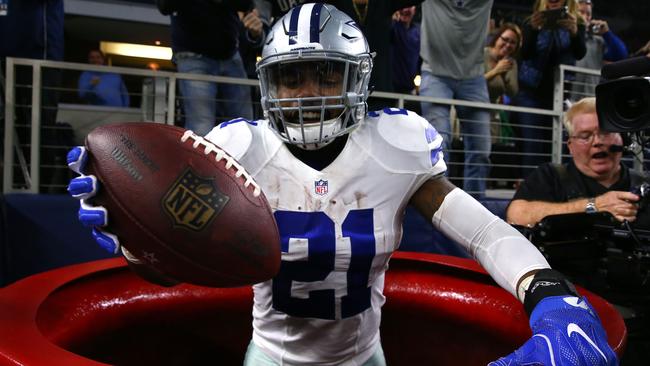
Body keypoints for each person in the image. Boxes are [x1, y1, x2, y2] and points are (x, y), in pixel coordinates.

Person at [67, 4, 618, 366]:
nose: (308, 91)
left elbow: (483, 234)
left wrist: (548, 292)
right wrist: (141, 242)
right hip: (270, 356)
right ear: (268, 82)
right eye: (291, 75)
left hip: (363, 357)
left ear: (358, 78)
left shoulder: (397, 145)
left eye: (327, 72)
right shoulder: (238, 148)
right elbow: (180, 257)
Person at [507, 97, 649, 228]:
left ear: (622, 139)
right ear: (570, 146)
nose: (597, 142)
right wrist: (593, 206)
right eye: (585, 136)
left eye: (605, 133)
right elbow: (516, 215)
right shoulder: (550, 177)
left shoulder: (644, 184)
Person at [418, 0, 493, 199]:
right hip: (435, 73)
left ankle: (476, 208)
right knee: (439, 146)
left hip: (474, 77)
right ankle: (441, 207)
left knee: (481, 149)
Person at [157, 0, 259, 136]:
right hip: (193, 53)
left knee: (244, 124)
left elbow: (246, 5)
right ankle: (199, 157)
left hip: (229, 52)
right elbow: (165, 6)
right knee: (201, 126)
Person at [515, 0, 586, 177]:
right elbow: (525, 53)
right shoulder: (531, 21)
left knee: (556, 144)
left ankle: (553, 192)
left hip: (560, 94)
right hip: (531, 93)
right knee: (533, 144)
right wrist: (533, 28)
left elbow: (580, 53)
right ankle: (529, 193)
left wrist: (575, 32)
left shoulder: (576, 21)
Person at [573, 0, 628, 99]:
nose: (585, 17)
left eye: (588, 14)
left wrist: (607, 33)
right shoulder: (563, 37)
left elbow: (621, 55)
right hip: (565, 96)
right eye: (581, 12)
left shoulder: (597, 42)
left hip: (591, 99)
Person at [484, 23, 521, 143]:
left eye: (513, 42)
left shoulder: (511, 63)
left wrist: (505, 77)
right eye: (505, 39)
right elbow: (471, 83)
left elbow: (513, 92)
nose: (508, 45)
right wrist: (495, 71)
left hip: (492, 112)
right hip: (473, 107)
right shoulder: (482, 54)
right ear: (496, 38)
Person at [390, 6, 420, 96]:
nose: (405, 10)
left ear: (414, 10)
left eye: (409, 6)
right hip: (389, 89)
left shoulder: (418, 32)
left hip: (409, 89)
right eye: (402, 6)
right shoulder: (391, 27)